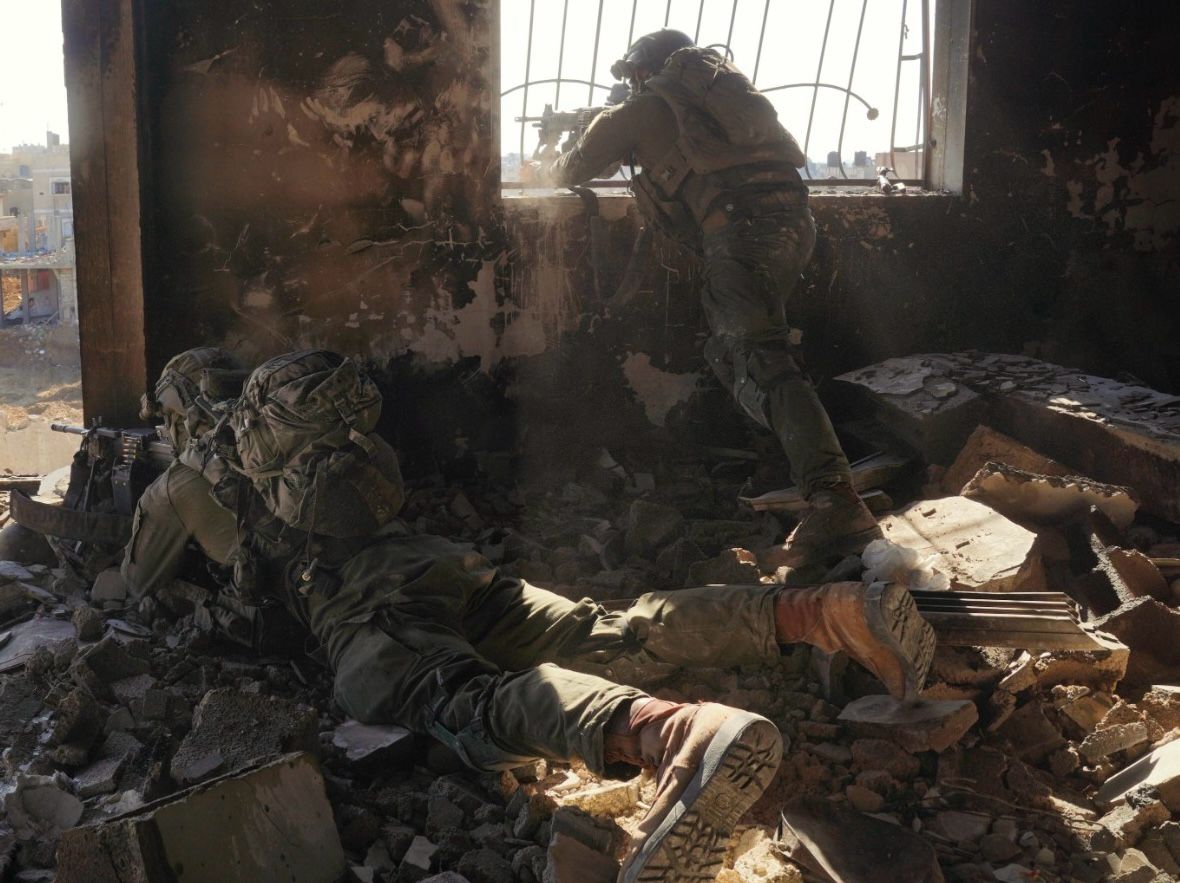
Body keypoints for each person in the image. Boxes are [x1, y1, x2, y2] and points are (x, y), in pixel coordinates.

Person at [218, 349, 935, 883]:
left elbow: (171, 575)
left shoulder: (226, 481)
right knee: (609, 627)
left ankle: (673, 733)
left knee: (463, 699)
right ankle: (825, 613)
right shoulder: (337, 438)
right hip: (441, 563)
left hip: (372, 602)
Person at [539, 30, 880, 570]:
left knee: (761, 360)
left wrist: (579, 134)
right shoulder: (722, 107)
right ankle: (794, 464)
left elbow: (566, 174)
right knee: (736, 355)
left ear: (640, 73)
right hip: (793, 228)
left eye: (629, 78)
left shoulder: (642, 107)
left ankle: (836, 499)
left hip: (740, 237)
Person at [120, 346, 243, 599]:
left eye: (169, 419)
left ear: (184, 419)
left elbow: (137, 582)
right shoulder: (279, 446)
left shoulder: (178, 485)